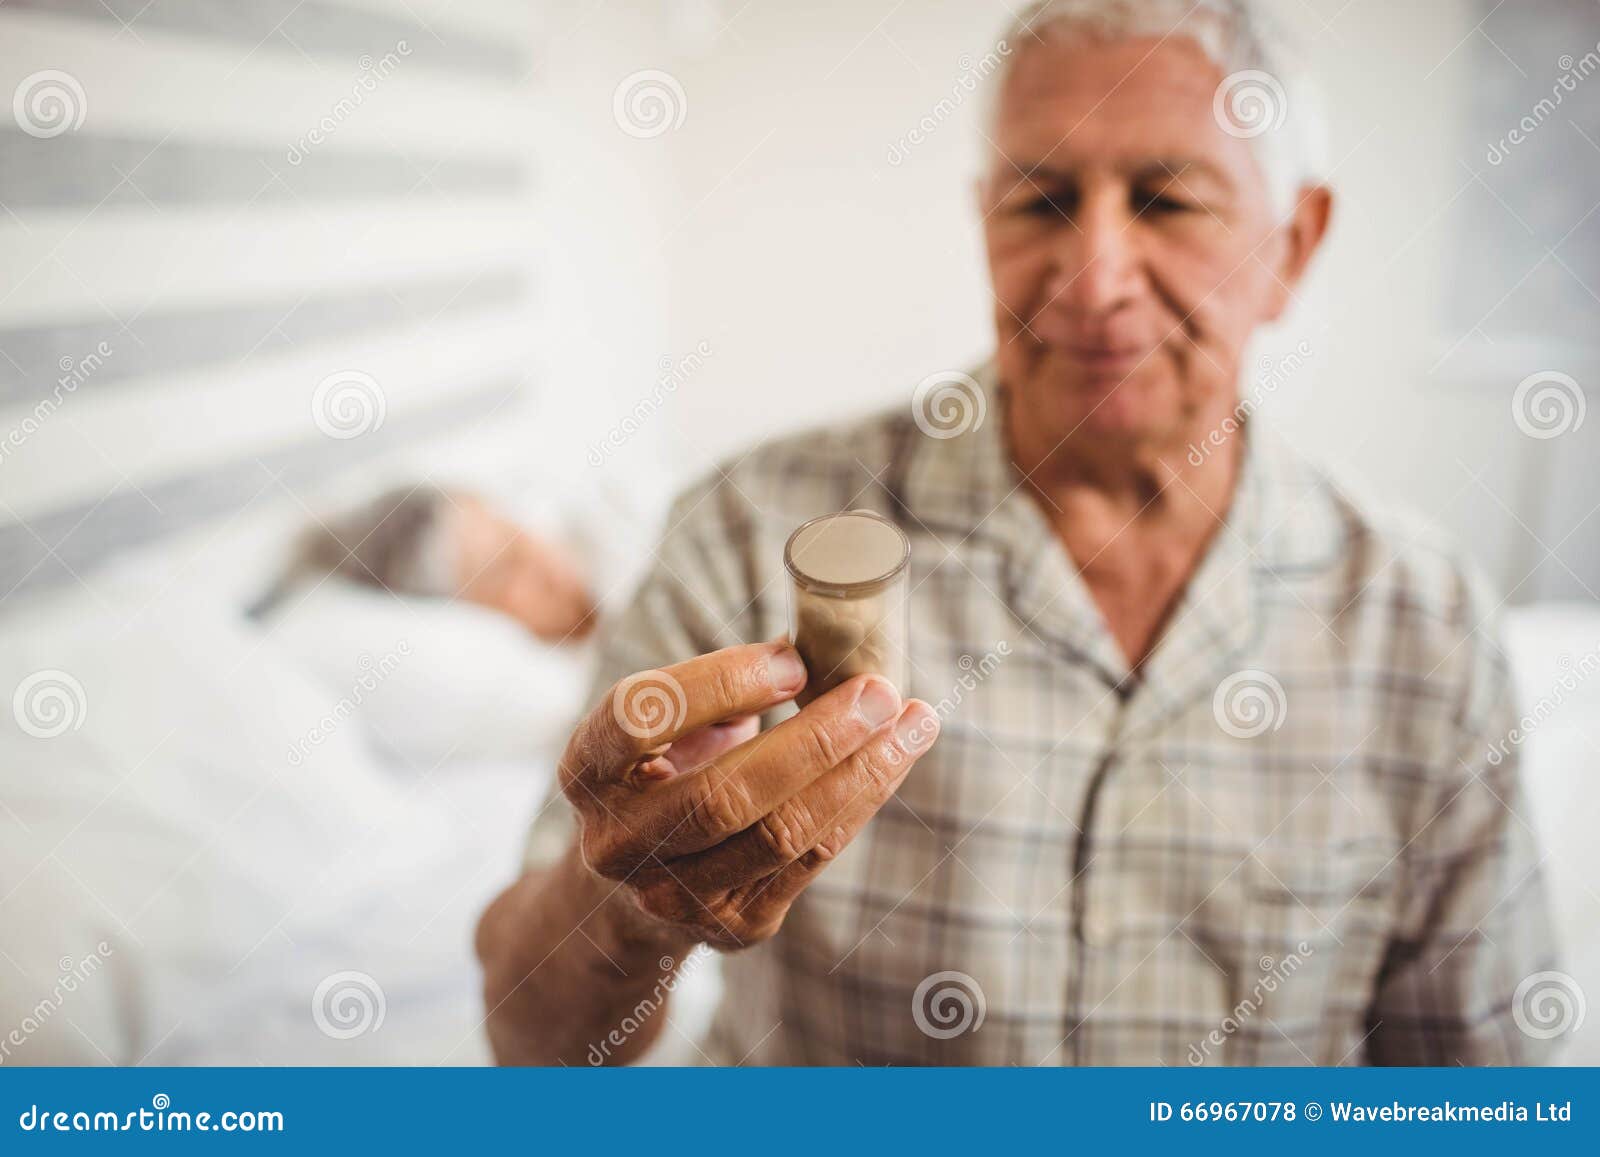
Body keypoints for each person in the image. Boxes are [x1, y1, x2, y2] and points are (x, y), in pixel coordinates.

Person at [476, 0, 1557, 1066]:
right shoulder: (748, 529)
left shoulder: (1426, 620)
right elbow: (534, 1046)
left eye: (1167, 200)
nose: (1092, 280)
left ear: (1292, 244)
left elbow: (1482, 1092)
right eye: (1039, 200)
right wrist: (629, 909)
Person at [284, 484, 596, 643]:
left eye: (552, 594)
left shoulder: (506, 612)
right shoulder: (544, 539)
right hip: (428, 508)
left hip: (410, 554)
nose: (553, 581)